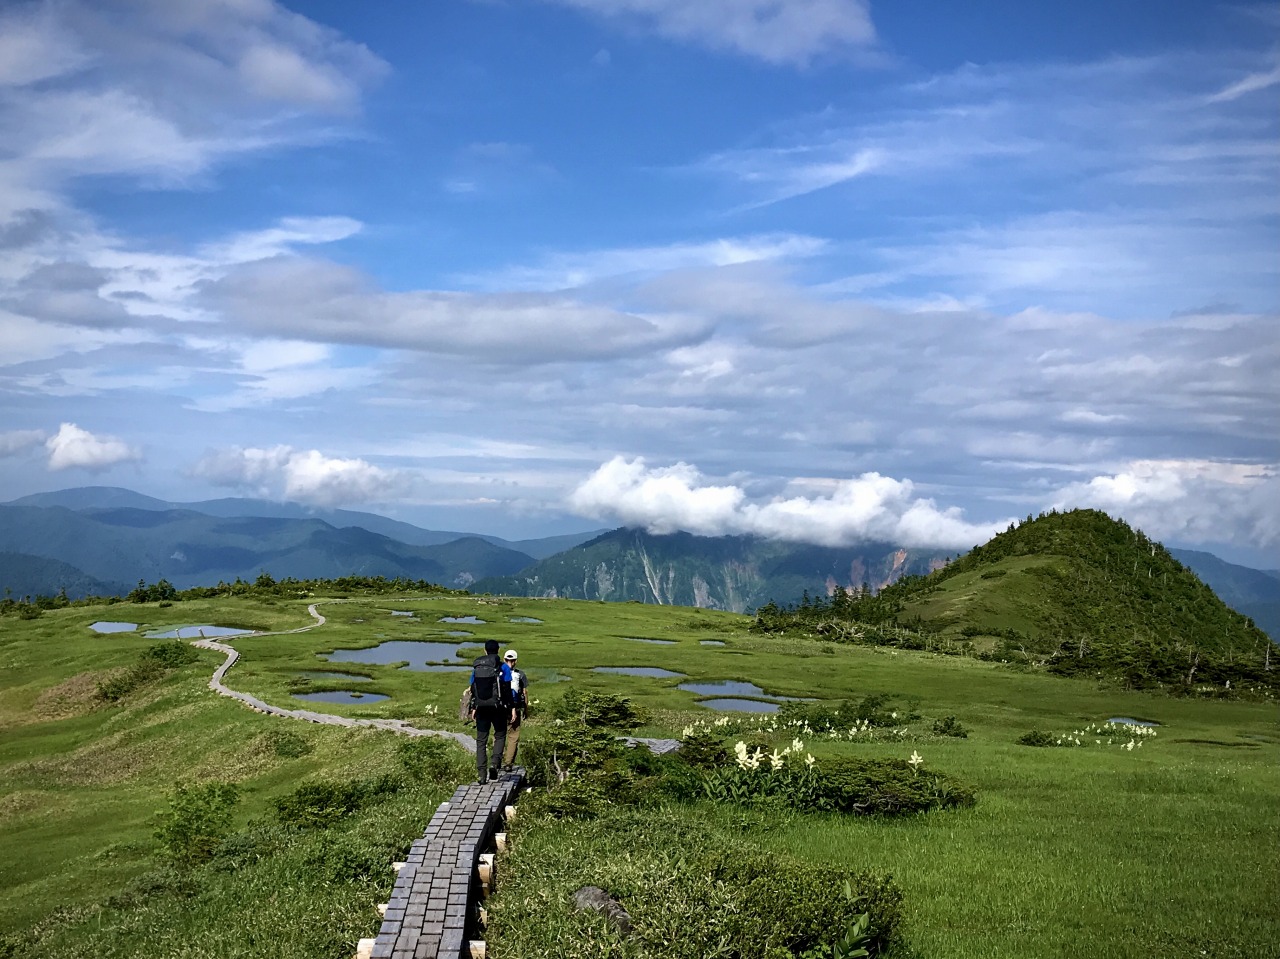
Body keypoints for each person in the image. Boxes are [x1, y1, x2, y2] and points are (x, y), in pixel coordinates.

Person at [469, 639, 516, 784]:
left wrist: (474, 707)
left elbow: (473, 688)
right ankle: (495, 763)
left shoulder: (477, 667)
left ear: (485, 650)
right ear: (498, 650)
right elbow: (507, 690)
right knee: (500, 735)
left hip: (481, 707)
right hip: (498, 708)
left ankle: (482, 776)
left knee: (481, 741)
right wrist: (512, 708)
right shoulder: (503, 667)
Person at [501, 649, 529, 771]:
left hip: (500, 708)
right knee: (513, 736)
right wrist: (526, 709)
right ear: (516, 661)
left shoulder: (499, 672)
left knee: (499, 734)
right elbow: (524, 692)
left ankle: (496, 761)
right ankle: (508, 763)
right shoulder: (520, 674)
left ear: (504, 659)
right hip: (515, 708)